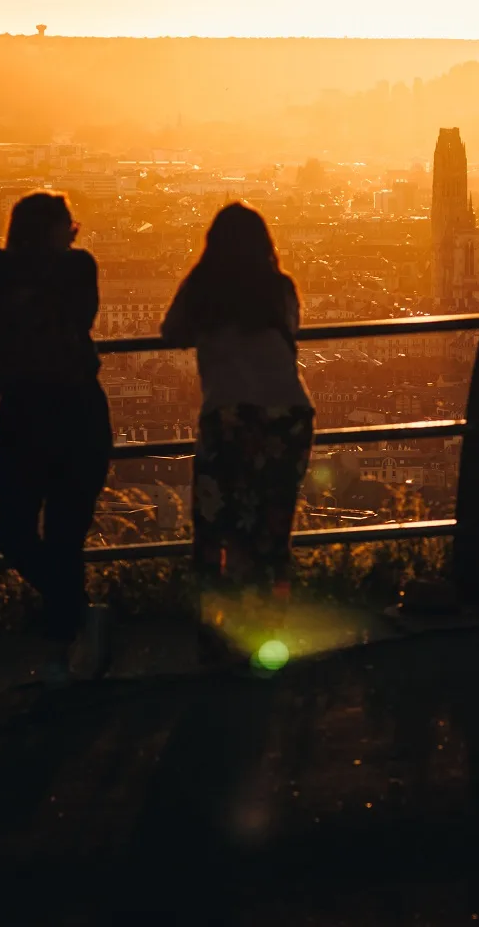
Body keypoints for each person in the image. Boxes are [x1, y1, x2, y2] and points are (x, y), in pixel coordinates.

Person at [0, 191, 112, 685]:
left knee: (9, 526)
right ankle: (73, 637)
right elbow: (82, 321)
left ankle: (73, 623)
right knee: (66, 535)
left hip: (25, 412)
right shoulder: (80, 267)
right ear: (61, 230)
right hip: (81, 412)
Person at [161, 202, 315, 664]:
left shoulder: (204, 290)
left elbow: (171, 332)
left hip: (229, 417)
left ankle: (217, 634)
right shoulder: (279, 289)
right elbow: (292, 330)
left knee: (216, 525)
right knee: (271, 526)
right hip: (287, 416)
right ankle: (268, 631)